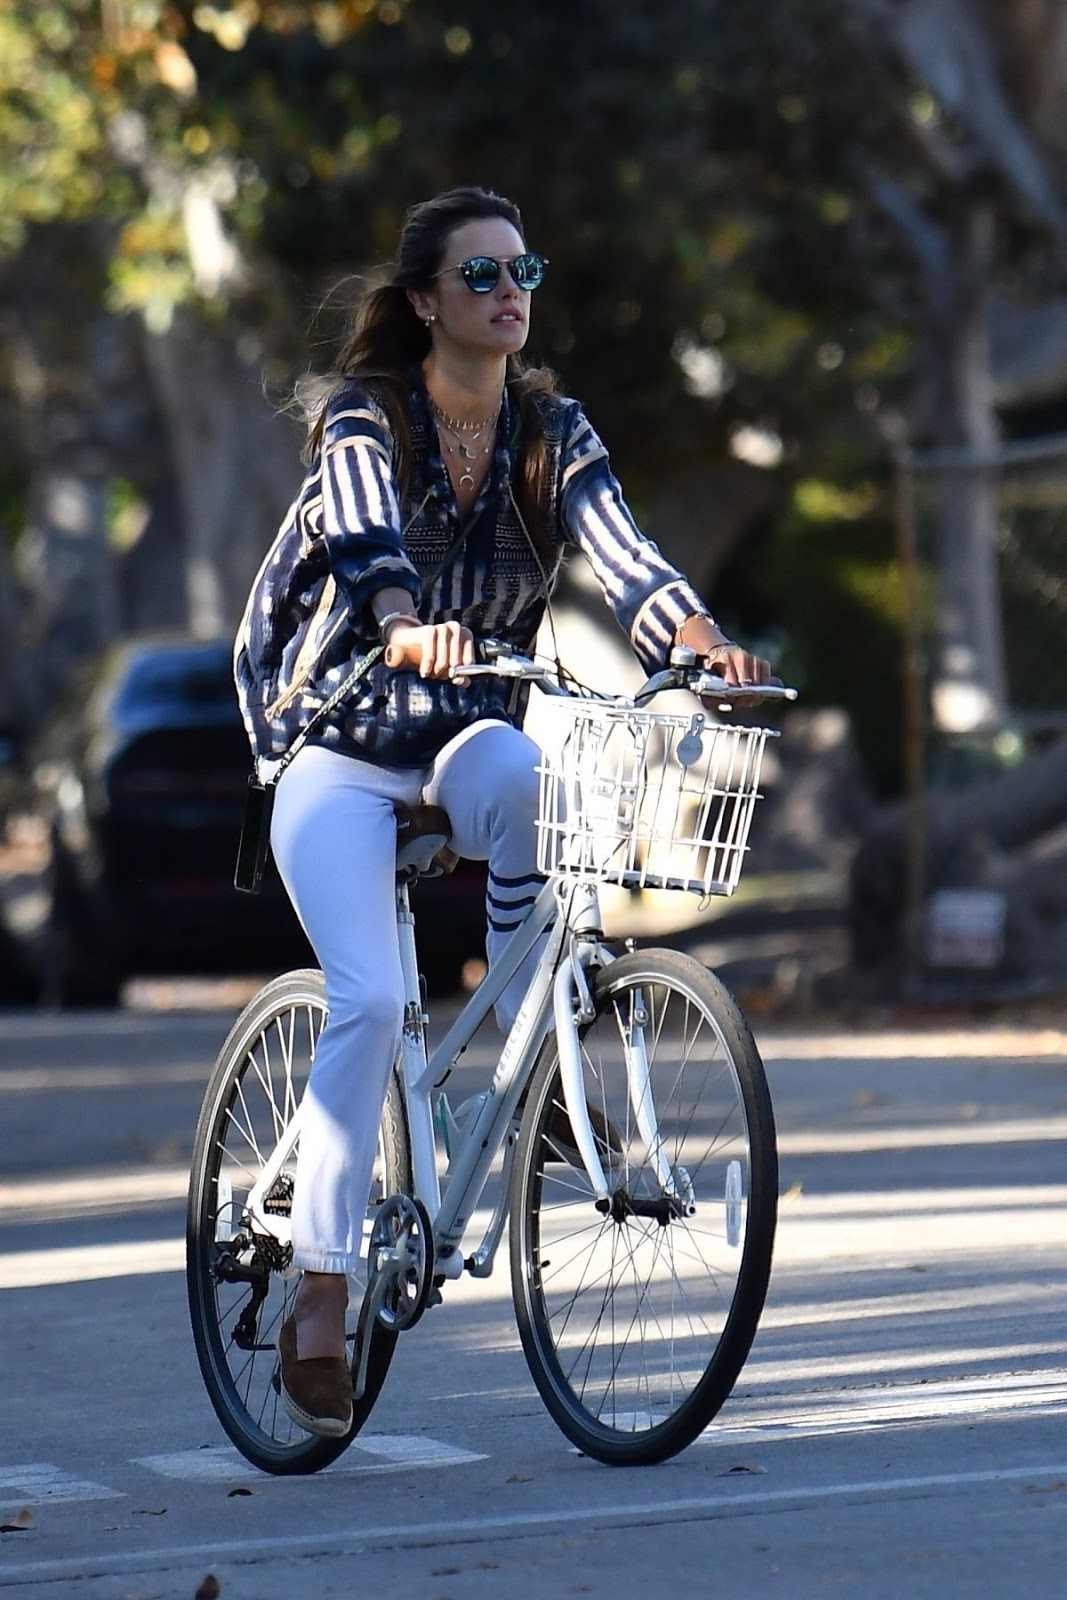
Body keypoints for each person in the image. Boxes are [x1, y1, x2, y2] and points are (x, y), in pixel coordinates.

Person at [234, 184, 772, 1437]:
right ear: (425, 302)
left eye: (521, 269)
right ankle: (320, 1283)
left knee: (534, 782)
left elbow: (619, 548)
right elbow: (367, 536)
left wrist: (694, 634)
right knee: (369, 997)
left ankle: (527, 1062)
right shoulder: (368, 416)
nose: (508, 292)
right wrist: (394, 622)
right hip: (335, 744)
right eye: (479, 275)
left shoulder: (548, 429)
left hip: (462, 733)